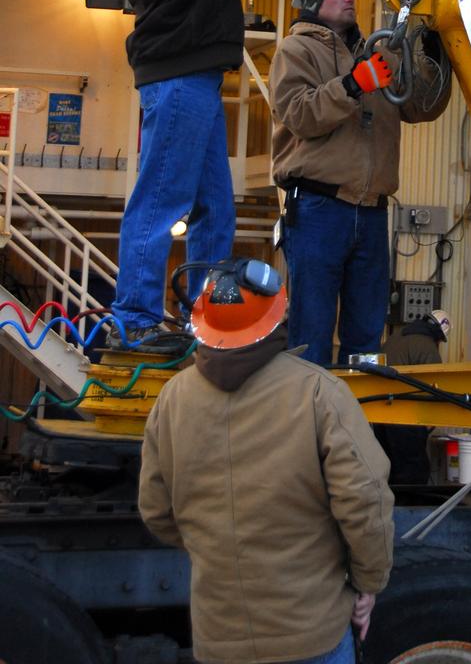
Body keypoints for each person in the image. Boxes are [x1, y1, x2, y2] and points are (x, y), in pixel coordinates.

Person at [74, 0, 338, 351]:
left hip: (191, 81)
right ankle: (135, 319)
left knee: (216, 209)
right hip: (179, 82)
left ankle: (208, 318)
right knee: (160, 203)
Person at [138, 257, 394, 664]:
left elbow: (156, 512)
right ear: (277, 316)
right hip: (312, 635)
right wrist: (368, 584)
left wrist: (217, 544)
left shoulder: (171, 400)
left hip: (218, 639)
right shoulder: (319, 393)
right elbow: (365, 502)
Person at [269, 0, 451, 367]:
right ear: (314, 0)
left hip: (370, 213)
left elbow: (421, 107)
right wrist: (352, 85)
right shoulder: (296, 51)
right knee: (311, 329)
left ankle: (357, 421)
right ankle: (309, 423)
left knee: (367, 335)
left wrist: (437, 56)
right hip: (318, 207)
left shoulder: (379, 53)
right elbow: (299, 114)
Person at [375, 309, 451, 485]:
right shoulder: (426, 346)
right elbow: (435, 384)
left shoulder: (396, 336)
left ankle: (393, 509)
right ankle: (413, 509)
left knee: (389, 468)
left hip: (379, 411)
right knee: (413, 470)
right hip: (404, 414)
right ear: (439, 334)